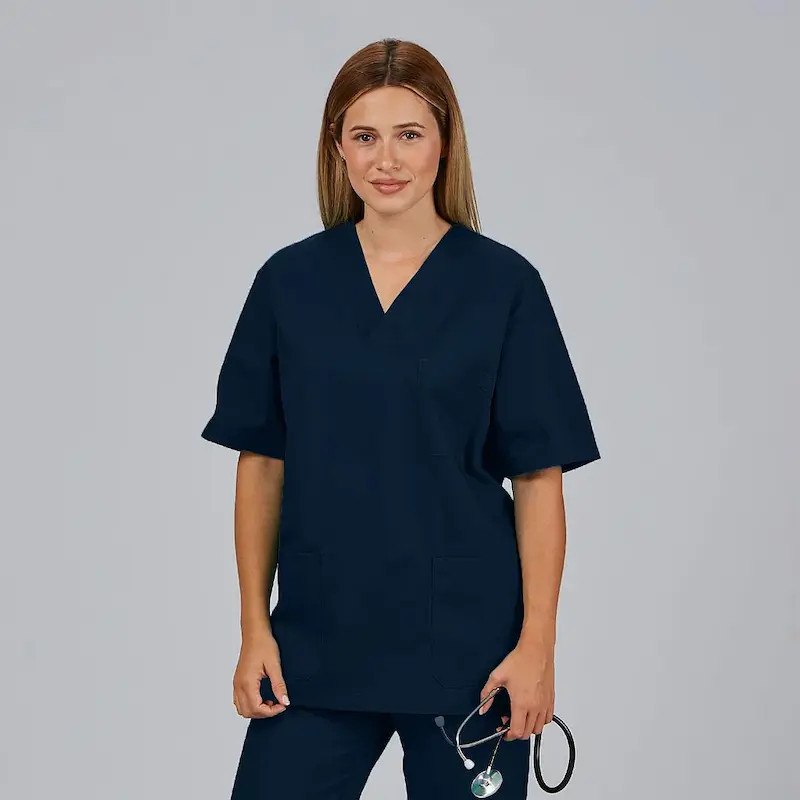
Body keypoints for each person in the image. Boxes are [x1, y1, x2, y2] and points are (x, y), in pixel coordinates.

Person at [200, 37, 601, 800]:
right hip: (317, 648)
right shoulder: (290, 284)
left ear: (444, 144)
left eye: (409, 134)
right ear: (338, 148)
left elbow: (538, 480)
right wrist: (255, 628)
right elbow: (261, 465)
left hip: (470, 657)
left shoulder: (504, 286)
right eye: (365, 136)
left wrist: (537, 648)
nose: (386, 160)